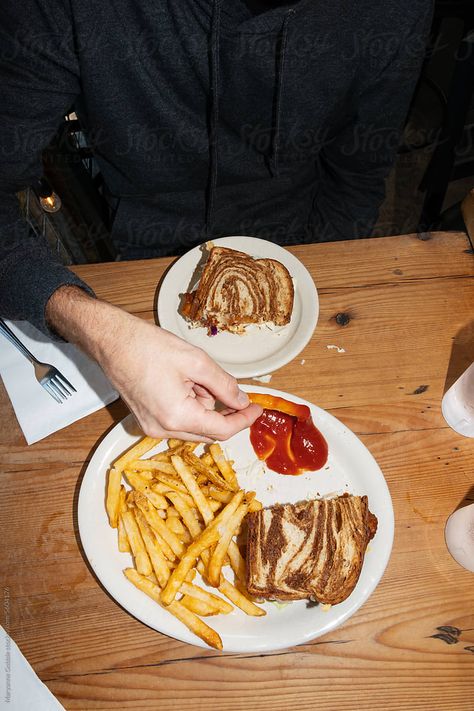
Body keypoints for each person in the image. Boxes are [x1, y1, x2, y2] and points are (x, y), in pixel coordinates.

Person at [0, 0, 433, 440]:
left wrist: (314, 281)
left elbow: (357, 174)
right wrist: (90, 325)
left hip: (302, 236)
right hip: (137, 254)